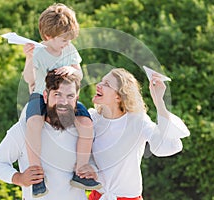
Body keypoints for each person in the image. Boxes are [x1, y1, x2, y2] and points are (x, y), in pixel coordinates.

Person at [22, 3, 100, 197]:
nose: (67, 42)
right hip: (41, 95)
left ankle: (80, 169)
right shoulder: (39, 52)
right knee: (33, 123)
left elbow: (80, 74)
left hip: (66, 98)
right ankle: (36, 175)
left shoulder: (69, 49)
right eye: (63, 39)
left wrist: (73, 70)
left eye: (69, 39)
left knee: (86, 123)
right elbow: (29, 80)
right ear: (48, 36)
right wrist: (29, 58)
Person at [80, 68, 190, 200]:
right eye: (102, 81)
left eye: (106, 84)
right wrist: (91, 169)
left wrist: (158, 102)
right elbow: (84, 152)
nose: (98, 85)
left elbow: (167, 146)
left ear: (119, 96)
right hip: (98, 196)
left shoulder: (137, 121)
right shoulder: (93, 118)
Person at [0, 71, 98, 200]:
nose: (64, 102)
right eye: (57, 94)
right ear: (45, 97)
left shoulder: (84, 131)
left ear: (76, 99)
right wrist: (19, 178)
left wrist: (92, 170)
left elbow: (95, 162)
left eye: (70, 96)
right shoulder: (24, 128)